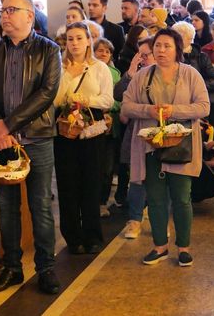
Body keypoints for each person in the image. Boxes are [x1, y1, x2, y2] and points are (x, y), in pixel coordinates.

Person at [0, 0, 61, 294]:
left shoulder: (49, 50)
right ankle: (12, 268)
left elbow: (47, 93)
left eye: (12, 10)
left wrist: (7, 125)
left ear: (29, 16)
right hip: (1, 142)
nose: (5, 15)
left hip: (37, 138)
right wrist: (0, 129)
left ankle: (46, 268)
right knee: (7, 207)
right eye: (3, 10)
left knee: (41, 206)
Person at [122, 28, 210, 266]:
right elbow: (126, 106)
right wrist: (148, 111)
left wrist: (174, 111)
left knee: (182, 197)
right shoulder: (143, 75)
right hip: (151, 146)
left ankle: (184, 248)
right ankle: (160, 246)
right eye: (158, 46)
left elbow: (204, 107)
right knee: (156, 198)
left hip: (181, 146)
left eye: (167, 46)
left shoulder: (190, 74)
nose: (161, 50)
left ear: (177, 49)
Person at [53, 22, 114, 254]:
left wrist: (86, 100)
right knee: (68, 184)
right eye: (70, 39)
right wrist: (69, 76)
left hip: (91, 129)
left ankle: (92, 235)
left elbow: (108, 100)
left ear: (89, 40)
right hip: (66, 129)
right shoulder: (60, 67)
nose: (75, 43)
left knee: (91, 183)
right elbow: (55, 100)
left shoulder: (100, 68)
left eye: (79, 38)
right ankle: (73, 237)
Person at [114, 38, 155, 239]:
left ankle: (158, 220)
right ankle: (135, 220)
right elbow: (118, 94)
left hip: (162, 133)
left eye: (145, 55)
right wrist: (130, 72)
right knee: (137, 178)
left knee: (160, 180)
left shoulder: (170, 74)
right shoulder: (137, 76)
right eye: (139, 55)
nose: (141, 59)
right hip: (137, 133)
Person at [172, 21, 214, 136]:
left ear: (189, 38)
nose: (174, 39)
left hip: (198, 103)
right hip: (175, 103)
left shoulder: (201, 56)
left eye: (178, 35)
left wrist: (197, 88)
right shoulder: (170, 56)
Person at [93, 38, 123, 217]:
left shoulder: (115, 73)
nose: (103, 54)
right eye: (100, 50)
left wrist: (108, 106)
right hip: (92, 123)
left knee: (108, 168)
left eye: (107, 51)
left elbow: (120, 100)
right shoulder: (88, 70)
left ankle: (102, 202)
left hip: (111, 128)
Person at [88, 0, 125, 66]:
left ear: (104, 8)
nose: (90, 8)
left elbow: (121, 56)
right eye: (89, 5)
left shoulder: (116, 30)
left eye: (95, 5)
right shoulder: (83, 28)